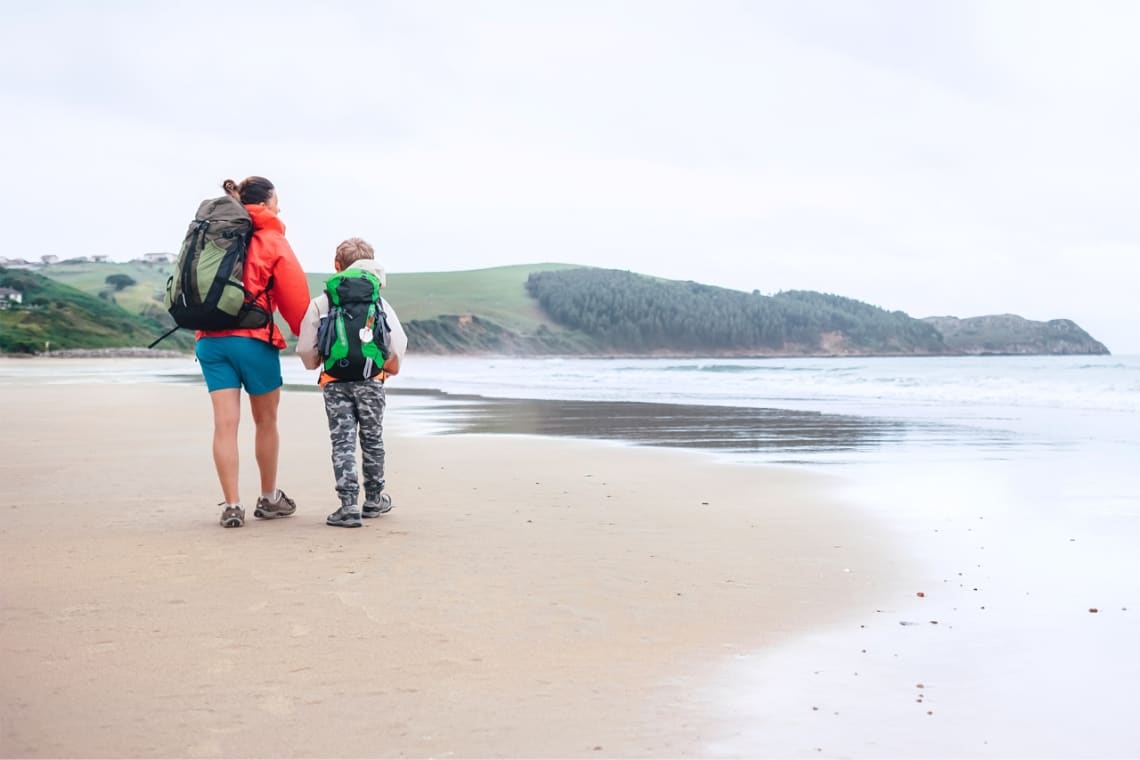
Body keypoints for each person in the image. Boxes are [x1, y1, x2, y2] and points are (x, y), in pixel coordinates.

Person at [197, 176, 312, 528]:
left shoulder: (212, 234)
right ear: (264, 204)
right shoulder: (271, 239)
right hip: (253, 341)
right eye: (277, 201)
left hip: (210, 341)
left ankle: (232, 506)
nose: (280, 207)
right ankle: (269, 497)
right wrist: (310, 341)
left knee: (224, 425)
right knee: (266, 421)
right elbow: (296, 300)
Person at [296, 237, 408, 528]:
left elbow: (306, 348)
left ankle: (348, 506)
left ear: (337, 265)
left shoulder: (323, 301)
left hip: (335, 382)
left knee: (342, 441)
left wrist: (317, 363)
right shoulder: (379, 301)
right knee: (372, 439)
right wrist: (386, 369)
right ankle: (374, 500)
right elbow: (397, 344)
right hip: (371, 380)